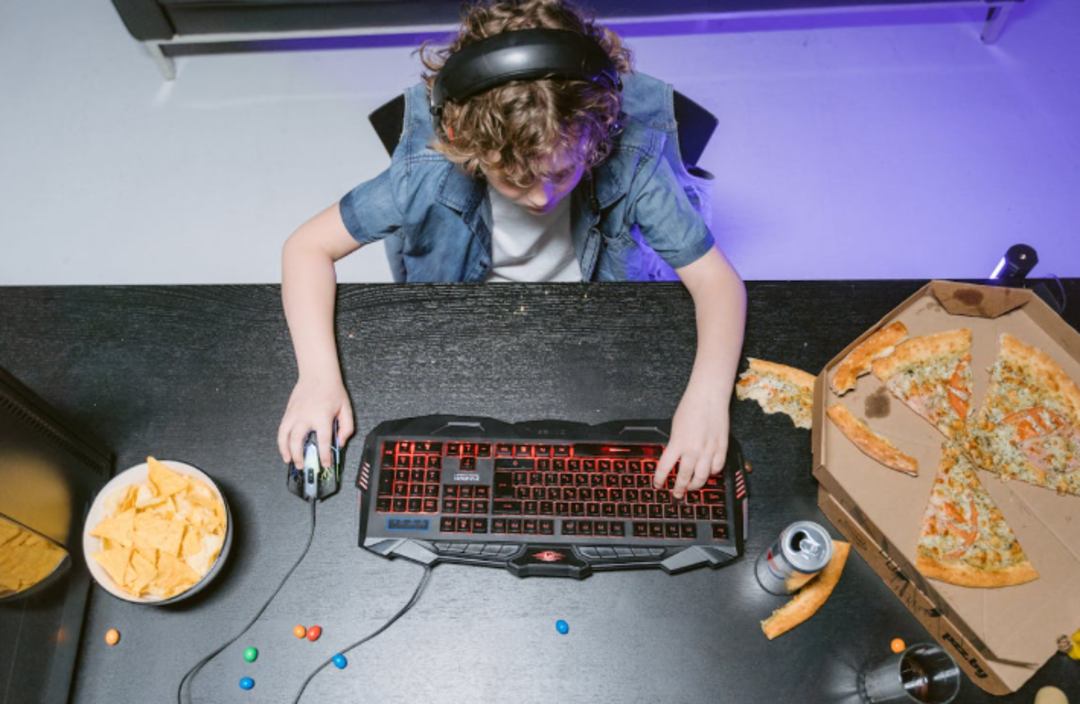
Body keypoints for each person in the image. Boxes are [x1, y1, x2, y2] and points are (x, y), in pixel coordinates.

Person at [277, 0, 746, 499]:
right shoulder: (427, 169)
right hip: (468, 319)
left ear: (599, 129)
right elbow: (306, 248)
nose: (542, 197)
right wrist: (317, 378)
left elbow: (718, 283)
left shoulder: (631, 159)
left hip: (593, 318)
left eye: (564, 172)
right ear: (465, 142)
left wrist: (708, 399)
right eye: (515, 179)